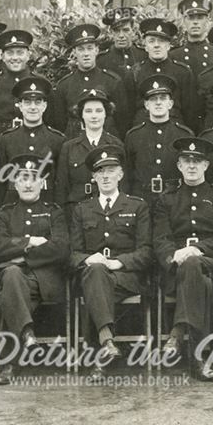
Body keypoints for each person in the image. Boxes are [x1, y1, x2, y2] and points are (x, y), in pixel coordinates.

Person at [153, 137, 213, 381]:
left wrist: (196, 249)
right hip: (179, 270)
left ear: (206, 166)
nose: (192, 166)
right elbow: (160, 239)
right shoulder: (166, 199)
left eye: (197, 161)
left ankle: (177, 334)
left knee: (195, 267)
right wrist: (173, 256)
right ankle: (198, 358)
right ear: (179, 165)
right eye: (187, 161)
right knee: (200, 282)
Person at [69, 145, 153, 374]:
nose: (105, 175)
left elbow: (146, 251)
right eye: (100, 171)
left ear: (121, 174)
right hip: (94, 275)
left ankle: (102, 348)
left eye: (111, 169)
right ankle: (107, 343)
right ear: (93, 177)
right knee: (96, 272)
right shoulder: (82, 209)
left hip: (125, 278)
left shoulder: (137, 206)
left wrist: (119, 263)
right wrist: (89, 259)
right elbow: (73, 253)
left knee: (97, 283)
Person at [0, 155, 70, 385]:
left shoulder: (54, 212)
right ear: (15, 183)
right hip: (16, 281)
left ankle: (10, 361)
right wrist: (31, 241)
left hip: (46, 281)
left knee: (12, 281)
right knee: (13, 279)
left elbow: (61, 248)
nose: (27, 184)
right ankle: (26, 334)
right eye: (22, 178)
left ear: (42, 183)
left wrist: (20, 253)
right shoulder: (4, 214)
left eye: (33, 178)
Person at [123, 75, 193, 201]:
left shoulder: (184, 135)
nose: (158, 102)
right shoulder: (134, 136)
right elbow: (127, 174)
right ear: (146, 105)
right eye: (153, 99)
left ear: (170, 104)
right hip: (142, 199)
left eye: (163, 98)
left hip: (174, 199)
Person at [49, 23, 127, 135]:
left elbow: (122, 121)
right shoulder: (64, 85)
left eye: (90, 48)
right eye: (81, 49)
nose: (86, 54)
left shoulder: (112, 81)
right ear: (74, 53)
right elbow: (60, 124)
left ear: (96, 50)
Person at [0, 75, 64, 203]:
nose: (33, 107)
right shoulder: (7, 139)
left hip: (47, 204)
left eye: (38, 102)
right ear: (20, 106)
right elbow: (0, 182)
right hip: (14, 205)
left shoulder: (57, 140)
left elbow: (61, 183)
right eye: (27, 102)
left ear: (44, 106)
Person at [55, 88, 124, 210]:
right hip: (76, 211)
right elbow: (62, 188)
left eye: (98, 111)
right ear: (81, 114)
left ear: (105, 113)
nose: (94, 116)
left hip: (108, 211)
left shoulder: (116, 145)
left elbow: (123, 184)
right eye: (88, 111)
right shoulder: (69, 147)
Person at [124, 18, 198, 131]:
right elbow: (128, 112)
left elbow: (190, 112)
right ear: (145, 46)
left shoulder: (183, 72)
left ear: (169, 45)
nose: (156, 45)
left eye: (161, 41)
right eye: (152, 41)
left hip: (174, 129)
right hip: (142, 130)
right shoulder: (135, 72)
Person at [171, 0, 213, 75]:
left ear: (207, 22)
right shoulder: (174, 56)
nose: (195, 22)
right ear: (184, 22)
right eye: (191, 18)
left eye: (200, 17)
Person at [98, 7, 146, 78]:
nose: (121, 35)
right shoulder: (102, 60)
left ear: (133, 31)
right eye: (116, 31)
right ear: (111, 33)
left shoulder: (144, 55)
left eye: (126, 30)